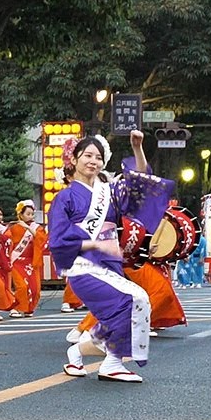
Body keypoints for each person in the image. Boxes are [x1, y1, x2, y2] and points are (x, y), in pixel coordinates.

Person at [50, 132, 173, 383]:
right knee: (135, 299)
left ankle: (76, 352)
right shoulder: (65, 197)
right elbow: (58, 240)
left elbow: (140, 183)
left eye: (98, 157)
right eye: (87, 156)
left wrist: (137, 148)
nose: (93, 161)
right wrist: (94, 242)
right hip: (84, 266)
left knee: (118, 314)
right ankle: (113, 363)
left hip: (110, 266)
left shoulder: (110, 192)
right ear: (74, 159)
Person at [6, 200, 47, 316]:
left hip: (31, 261)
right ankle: (16, 308)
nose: (30, 216)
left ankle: (29, 308)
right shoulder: (13, 227)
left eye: (31, 214)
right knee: (22, 287)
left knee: (35, 289)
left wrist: (28, 229)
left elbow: (42, 240)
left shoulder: (37, 227)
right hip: (17, 261)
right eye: (28, 214)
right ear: (21, 214)